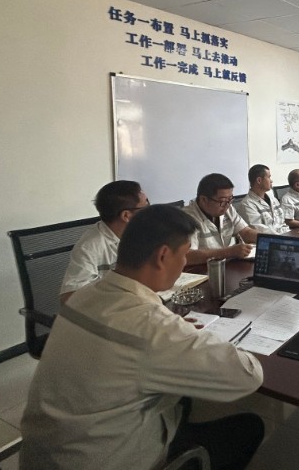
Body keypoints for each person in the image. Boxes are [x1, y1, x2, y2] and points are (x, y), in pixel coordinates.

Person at [20, 205, 265, 470]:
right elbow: (248, 375)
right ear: (163, 256)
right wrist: (181, 335)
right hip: (107, 460)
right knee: (248, 427)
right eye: (184, 255)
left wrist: (170, 332)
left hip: (44, 454)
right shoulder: (153, 327)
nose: (185, 262)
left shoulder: (83, 296)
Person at [59, 180, 149, 303]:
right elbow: (68, 298)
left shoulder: (141, 233)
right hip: (111, 308)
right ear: (126, 216)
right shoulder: (90, 246)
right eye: (145, 207)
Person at [182, 173, 257, 265]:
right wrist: (229, 252)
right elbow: (187, 256)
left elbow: (246, 232)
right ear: (204, 200)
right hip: (201, 269)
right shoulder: (186, 218)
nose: (227, 205)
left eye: (230, 199)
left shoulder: (228, 208)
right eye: (223, 201)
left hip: (224, 265)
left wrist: (266, 239)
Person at [238, 164, 290, 234]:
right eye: (269, 177)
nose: (271, 181)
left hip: (285, 235)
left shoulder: (273, 199)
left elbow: (282, 223)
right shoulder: (247, 205)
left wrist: (290, 234)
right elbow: (260, 231)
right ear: (259, 180)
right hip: (271, 239)